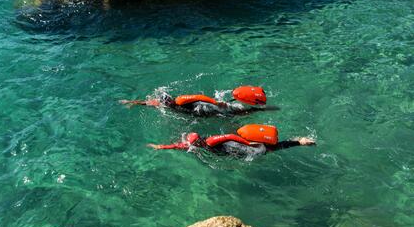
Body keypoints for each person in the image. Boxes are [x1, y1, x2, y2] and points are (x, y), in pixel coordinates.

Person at [148, 124, 315, 158]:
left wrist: (248, 143)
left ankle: (299, 141)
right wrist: (161, 147)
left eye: (193, 143)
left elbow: (229, 136)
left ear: (198, 141)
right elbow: (180, 146)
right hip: (234, 151)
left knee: (266, 149)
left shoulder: (211, 141)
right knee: (270, 149)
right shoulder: (201, 144)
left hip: (242, 147)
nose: (190, 145)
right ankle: (299, 142)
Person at [120, 86, 278, 116]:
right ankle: (254, 110)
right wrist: (131, 102)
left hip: (207, 107)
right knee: (230, 115)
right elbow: (147, 104)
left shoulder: (180, 100)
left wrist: (216, 102)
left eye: (168, 102)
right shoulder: (162, 105)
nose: (168, 104)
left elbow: (199, 98)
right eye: (167, 103)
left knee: (234, 111)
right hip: (201, 114)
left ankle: (261, 108)